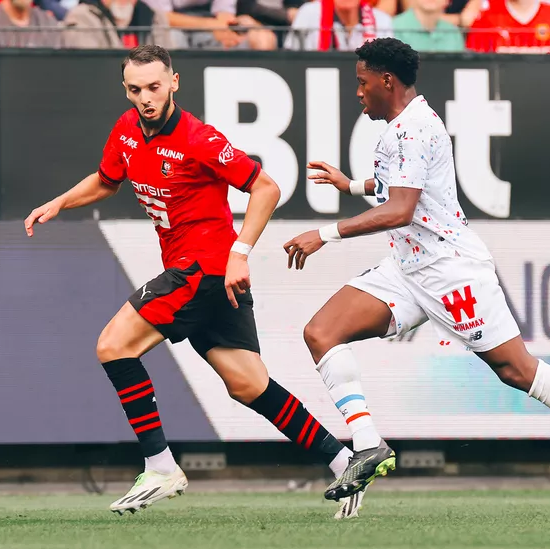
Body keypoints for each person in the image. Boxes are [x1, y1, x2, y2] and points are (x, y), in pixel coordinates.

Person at [283, 37, 550, 513]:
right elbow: (396, 188)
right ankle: (369, 445)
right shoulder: (397, 128)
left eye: (361, 82)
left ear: (386, 81)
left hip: (450, 270)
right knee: (321, 332)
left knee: (516, 370)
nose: (357, 91)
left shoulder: (414, 128)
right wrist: (349, 184)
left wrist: (325, 234)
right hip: (406, 268)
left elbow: (400, 209)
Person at [24, 45, 360, 519]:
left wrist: (240, 253)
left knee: (113, 346)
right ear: (126, 90)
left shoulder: (199, 138)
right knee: (248, 385)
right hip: (213, 279)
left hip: (203, 269)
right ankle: (344, 459)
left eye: (154, 87)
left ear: (174, 83)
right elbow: (107, 180)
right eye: (135, 89)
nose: (145, 97)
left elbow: (267, 187)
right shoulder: (125, 131)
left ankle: (160, 466)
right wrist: (59, 202)